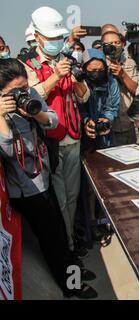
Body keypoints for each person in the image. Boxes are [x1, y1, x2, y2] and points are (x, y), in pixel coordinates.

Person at [0, 58, 97, 299]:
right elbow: (10, 151)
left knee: (60, 232)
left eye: (24, 87)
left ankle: (74, 271)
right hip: (25, 188)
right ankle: (71, 286)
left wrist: (35, 112)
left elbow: (53, 120)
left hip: (43, 174)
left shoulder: (30, 93)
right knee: (51, 239)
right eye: (15, 92)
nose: (23, 94)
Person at [21, 7, 90, 251]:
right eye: (50, 39)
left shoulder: (67, 60)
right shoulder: (27, 65)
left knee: (72, 196)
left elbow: (84, 97)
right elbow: (30, 98)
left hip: (73, 137)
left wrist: (77, 81)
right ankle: (66, 247)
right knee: (58, 199)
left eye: (58, 38)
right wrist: (54, 78)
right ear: (37, 37)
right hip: (47, 141)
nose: (55, 43)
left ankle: (72, 242)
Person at [101, 30, 139, 146]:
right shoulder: (98, 63)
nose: (114, 46)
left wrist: (123, 75)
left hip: (128, 122)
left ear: (123, 44)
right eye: (110, 43)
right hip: (107, 126)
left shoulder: (130, 63)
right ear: (103, 46)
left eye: (117, 42)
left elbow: (137, 91)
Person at [80, 49, 120, 150]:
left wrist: (107, 120)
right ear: (84, 69)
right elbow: (78, 107)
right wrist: (86, 121)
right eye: (92, 71)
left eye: (100, 70)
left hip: (106, 134)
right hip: (82, 135)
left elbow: (112, 106)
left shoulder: (111, 82)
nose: (97, 74)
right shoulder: (79, 83)